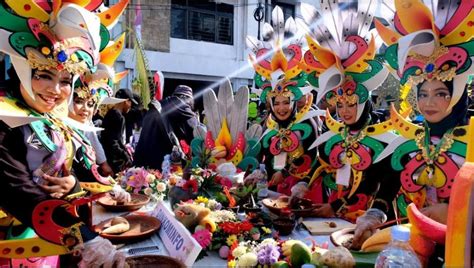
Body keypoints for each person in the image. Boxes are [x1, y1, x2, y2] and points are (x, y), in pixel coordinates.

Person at [0, 1, 129, 266]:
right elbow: (17, 191)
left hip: (56, 244)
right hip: (17, 246)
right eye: (44, 75)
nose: (55, 91)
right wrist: (83, 237)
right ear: (23, 69)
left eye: (65, 81)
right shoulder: (4, 118)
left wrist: (85, 187)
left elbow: (77, 169)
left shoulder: (53, 118)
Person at [351, 0, 474, 256]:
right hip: (412, 250)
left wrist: (456, 213)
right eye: (423, 93)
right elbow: (389, 184)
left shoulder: (471, 142)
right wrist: (373, 215)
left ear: (457, 93)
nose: (428, 102)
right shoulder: (410, 141)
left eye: (440, 93)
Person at [294, 1, 399, 222]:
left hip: (364, 221)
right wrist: (305, 183)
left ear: (363, 102)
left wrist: (336, 207)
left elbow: (371, 185)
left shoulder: (381, 139)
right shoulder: (333, 133)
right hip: (330, 216)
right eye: (340, 105)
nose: (344, 112)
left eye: (351, 104)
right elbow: (321, 161)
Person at [247, 6, 320, 196]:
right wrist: (262, 171)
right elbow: (268, 156)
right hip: (274, 192)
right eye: (276, 103)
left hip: (303, 193)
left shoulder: (307, 123)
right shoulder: (270, 124)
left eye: (286, 102)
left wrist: (287, 174)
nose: (281, 108)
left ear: (294, 101)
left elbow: (313, 158)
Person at [134, 85, 198, 169]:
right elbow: (196, 133)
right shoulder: (182, 106)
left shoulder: (159, 104)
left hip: (141, 158)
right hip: (163, 162)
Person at [101, 88, 137, 174]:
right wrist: (126, 157)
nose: (131, 106)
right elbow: (114, 142)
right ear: (126, 101)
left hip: (106, 156)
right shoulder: (118, 117)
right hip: (114, 162)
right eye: (130, 102)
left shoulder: (110, 113)